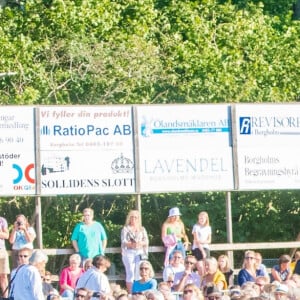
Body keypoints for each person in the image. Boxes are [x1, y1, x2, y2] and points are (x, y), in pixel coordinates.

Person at [121, 210, 149, 293]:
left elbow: (146, 241)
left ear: (138, 219)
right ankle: (130, 293)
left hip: (140, 252)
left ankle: (139, 292)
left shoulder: (142, 229)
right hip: (129, 252)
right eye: (132, 217)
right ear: (129, 218)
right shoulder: (125, 229)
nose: (134, 219)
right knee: (130, 272)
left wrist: (140, 243)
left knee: (139, 271)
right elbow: (123, 241)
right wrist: (132, 244)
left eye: (136, 217)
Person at [0, 215, 10, 298]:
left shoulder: (2, 220)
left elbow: (7, 235)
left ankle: (6, 297)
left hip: (1, 251)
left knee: (3, 276)